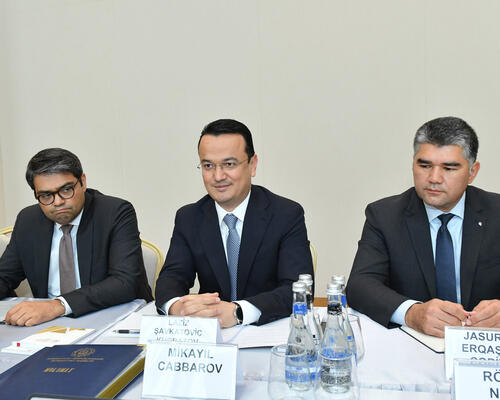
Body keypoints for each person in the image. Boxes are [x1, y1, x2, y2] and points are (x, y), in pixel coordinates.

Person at [346, 116, 500, 337]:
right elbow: (360, 285)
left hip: (485, 345)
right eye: (425, 165)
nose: (434, 178)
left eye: (449, 168)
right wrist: (411, 313)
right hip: (412, 342)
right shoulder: (384, 215)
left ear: (472, 172)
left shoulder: (496, 213)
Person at [155, 119, 313, 327]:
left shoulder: (285, 214)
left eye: (229, 164)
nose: (218, 176)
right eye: (208, 166)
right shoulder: (189, 217)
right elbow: (171, 279)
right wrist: (178, 307)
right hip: (211, 334)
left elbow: (298, 289)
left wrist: (238, 312)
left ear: (252, 165)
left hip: (267, 329)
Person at [0, 148, 153, 326]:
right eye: (46, 195)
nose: (58, 202)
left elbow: (125, 282)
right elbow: (4, 276)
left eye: (66, 190)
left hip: (111, 319)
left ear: (83, 182)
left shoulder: (114, 212)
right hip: (47, 325)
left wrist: (58, 305)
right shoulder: (28, 220)